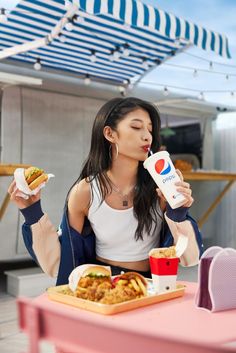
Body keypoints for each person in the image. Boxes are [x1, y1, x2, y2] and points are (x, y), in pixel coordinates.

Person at [8, 97, 203, 285]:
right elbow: (62, 263)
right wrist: (32, 213)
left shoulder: (160, 187)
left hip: (152, 286)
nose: (147, 136)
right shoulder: (85, 191)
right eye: (136, 127)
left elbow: (190, 258)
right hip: (101, 286)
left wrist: (178, 213)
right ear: (110, 134)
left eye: (150, 129)